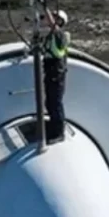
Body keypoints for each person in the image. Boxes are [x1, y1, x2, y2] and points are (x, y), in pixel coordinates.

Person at [40, 9, 71, 144]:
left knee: (55, 104)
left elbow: (53, 25)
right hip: (51, 72)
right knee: (50, 103)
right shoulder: (50, 37)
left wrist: (44, 7)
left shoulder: (60, 35)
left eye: (55, 17)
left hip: (56, 74)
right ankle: (53, 128)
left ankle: (59, 133)